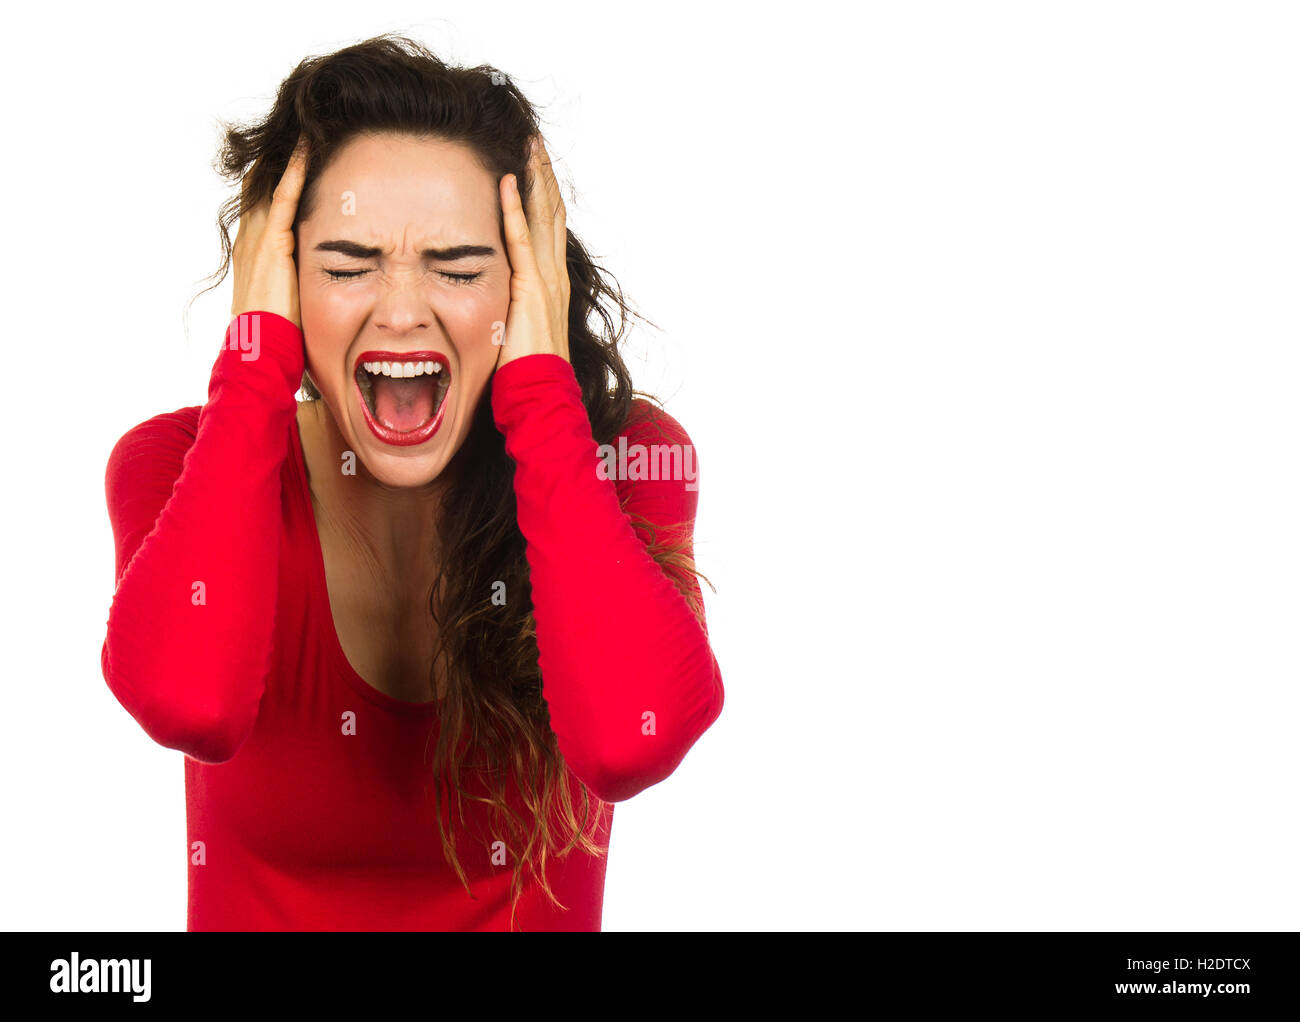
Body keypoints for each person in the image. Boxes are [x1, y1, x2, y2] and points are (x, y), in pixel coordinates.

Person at [100, 34, 723, 931]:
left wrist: (544, 401)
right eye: (347, 267)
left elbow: (637, 735)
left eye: (461, 269)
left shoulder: (623, 462)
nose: (400, 310)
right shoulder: (179, 461)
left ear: (528, 287)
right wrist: (252, 367)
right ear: (276, 279)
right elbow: (188, 700)